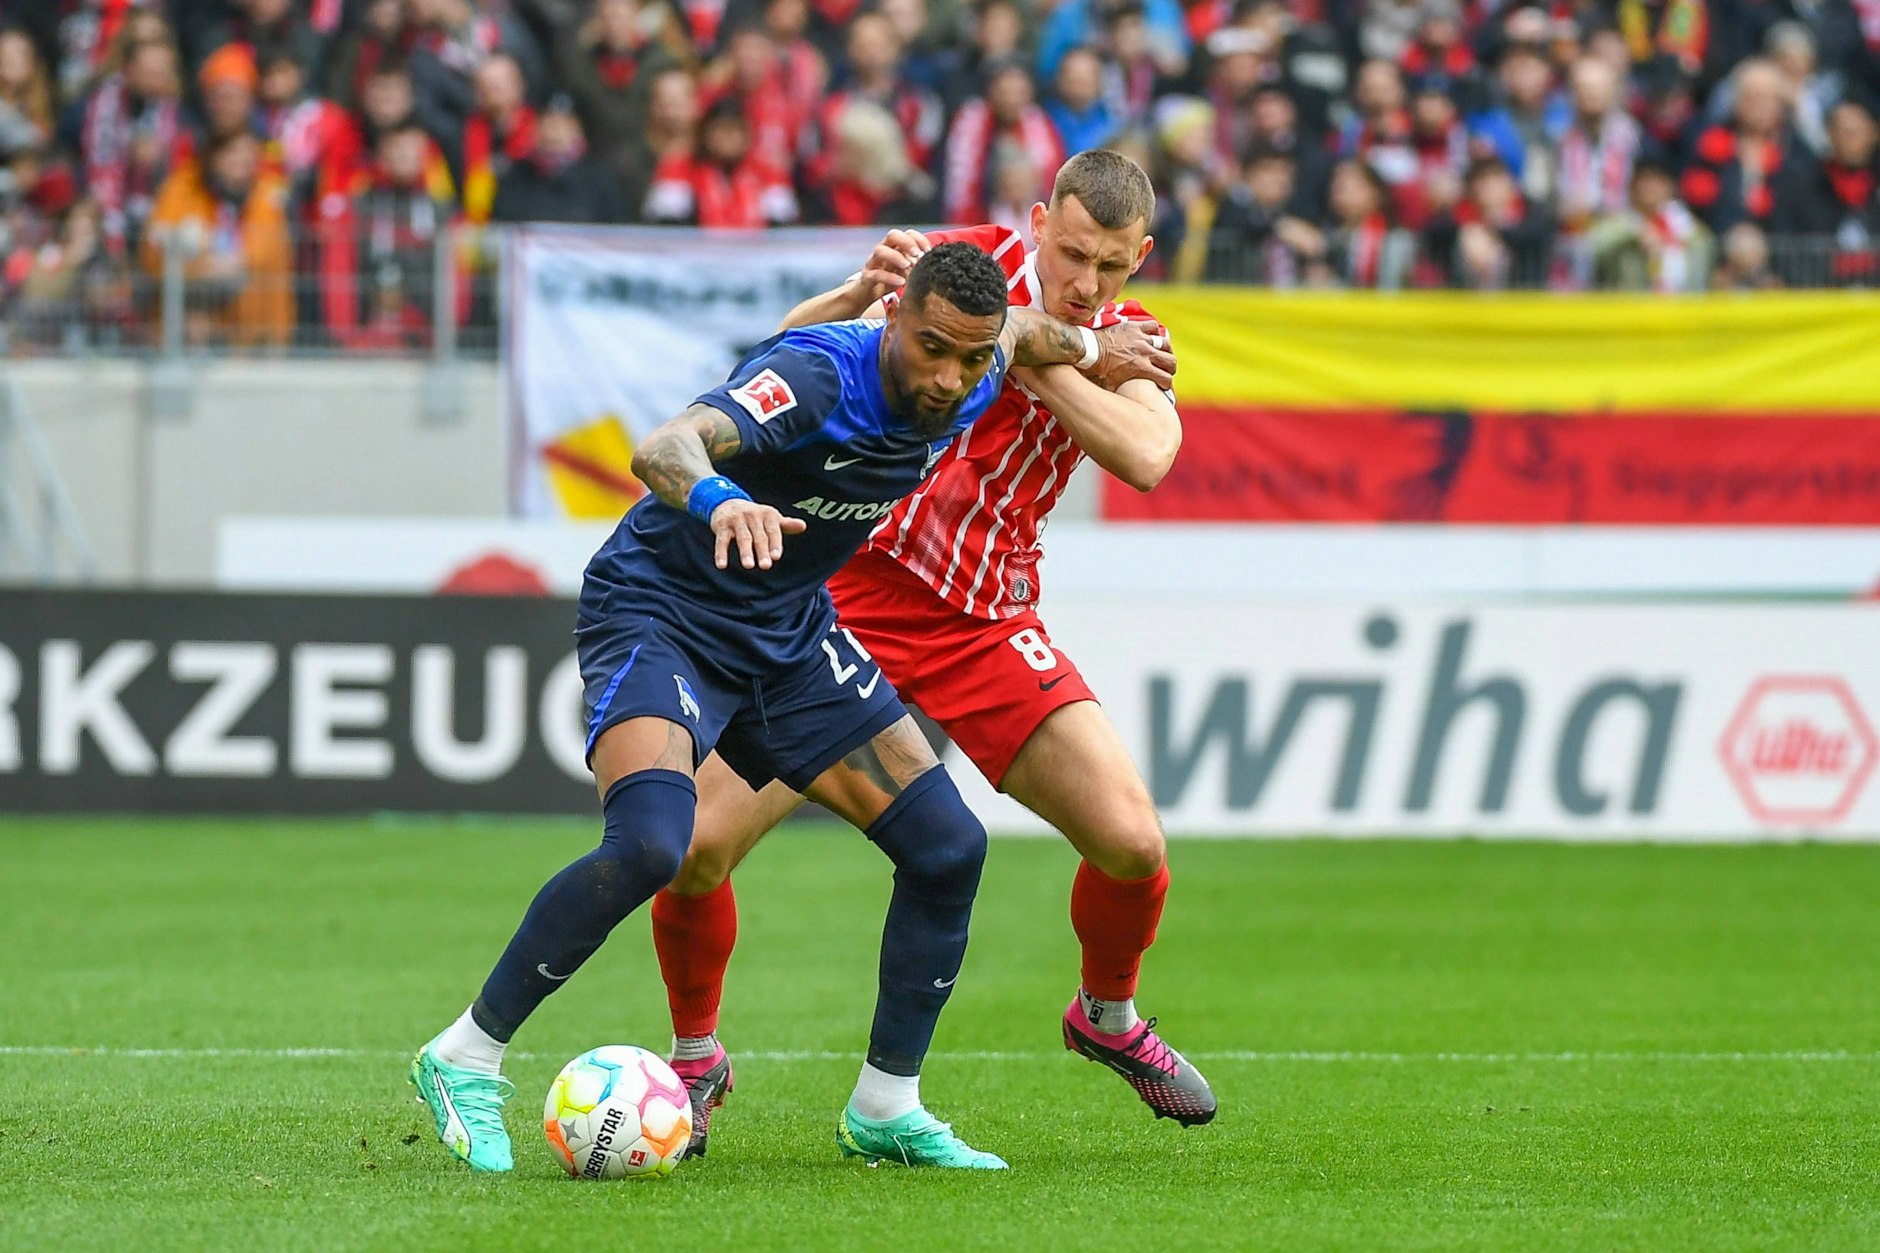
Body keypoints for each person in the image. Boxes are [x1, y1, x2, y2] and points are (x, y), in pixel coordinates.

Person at [408, 240, 1178, 1173]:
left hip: (787, 631)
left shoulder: (984, 358)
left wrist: (1094, 352)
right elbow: (665, 445)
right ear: (891, 319)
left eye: (970, 358)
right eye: (932, 347)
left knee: (947, 847)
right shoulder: (820, 376)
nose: (949, 379)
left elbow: (1023, 327)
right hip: (665, 609)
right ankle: (466, 1054)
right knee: (656, 844)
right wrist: (722, 499)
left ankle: (886, 1106)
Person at [649, 150, 1217, 1157]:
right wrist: (1052, 345)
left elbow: (1145, 454)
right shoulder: (956, 279)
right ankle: (695, 1056)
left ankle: (1107, 1014)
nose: (1086, 285)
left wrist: (1051, 352)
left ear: (1140, 259)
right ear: (1038, 221)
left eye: (1111, 268)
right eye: (1072, 254)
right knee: (693, 847)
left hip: (983, 619)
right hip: (845, 596)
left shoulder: (1134, 338)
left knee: (1133, 843)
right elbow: (778, 369)